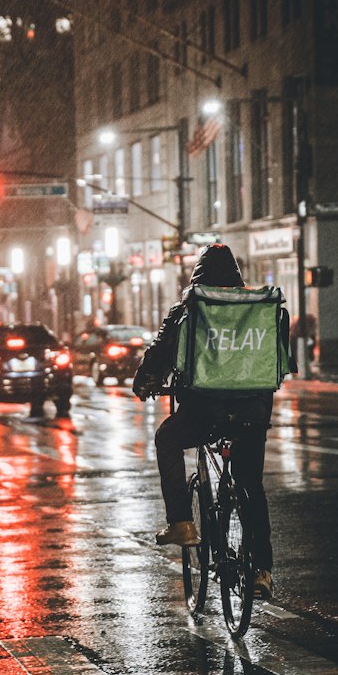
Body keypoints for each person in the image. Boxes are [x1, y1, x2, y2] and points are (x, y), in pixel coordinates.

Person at [131, 243, 294, 601]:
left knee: (167, 439)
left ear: (197, 277)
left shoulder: (192, 308)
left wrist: (145, 382)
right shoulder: (260, 308)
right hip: (252, 413)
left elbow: (160, 354)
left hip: (204, 412)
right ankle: (263, 570)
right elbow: (281, 363)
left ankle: (182, 523)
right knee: (251, 485)